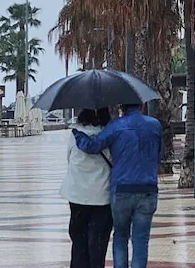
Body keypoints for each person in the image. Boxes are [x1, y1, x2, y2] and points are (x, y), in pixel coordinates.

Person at [72, 103, 162, 268]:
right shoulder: (154, 125)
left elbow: (93, 146)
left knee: (120, 236)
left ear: (122, 107)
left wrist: (78, 134)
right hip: (148, 189)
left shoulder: (116, 126)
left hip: (121, 190)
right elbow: (159, 154)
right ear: (142, 106)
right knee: (141, 240)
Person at [60, 108, 113, 268]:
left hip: (77, 194)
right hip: (102, 195)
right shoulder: (108, 135)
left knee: (78, 239)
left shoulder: (75, 134)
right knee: (98, 242)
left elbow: (68, 159)